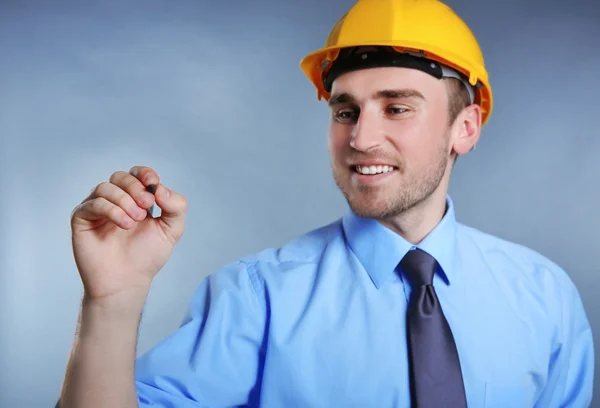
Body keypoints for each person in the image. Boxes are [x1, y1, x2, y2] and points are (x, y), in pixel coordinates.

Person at [57, 0, 594, 407]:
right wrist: (112, 303)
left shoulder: (546, 299)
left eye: (398, 108)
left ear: (466, 127)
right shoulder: (256, 299)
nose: (361, 138)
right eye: (345, 111)